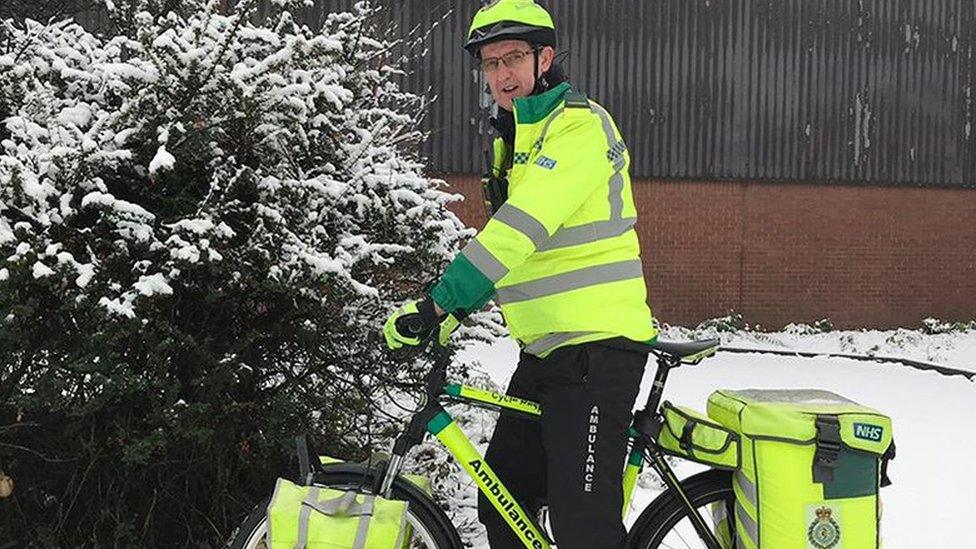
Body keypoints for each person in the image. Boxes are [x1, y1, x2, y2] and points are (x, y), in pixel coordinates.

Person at [383, 1, 657, 547]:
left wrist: (443, 304)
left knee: (582, 526)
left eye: (513, 58)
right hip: (545, 352)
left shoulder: (578, 127)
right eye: (490, 64)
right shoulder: (516, 138)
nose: (502, 75)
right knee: (504, 503)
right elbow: (519, 256)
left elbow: (516, 232)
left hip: (598, 349)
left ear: (544, 58)